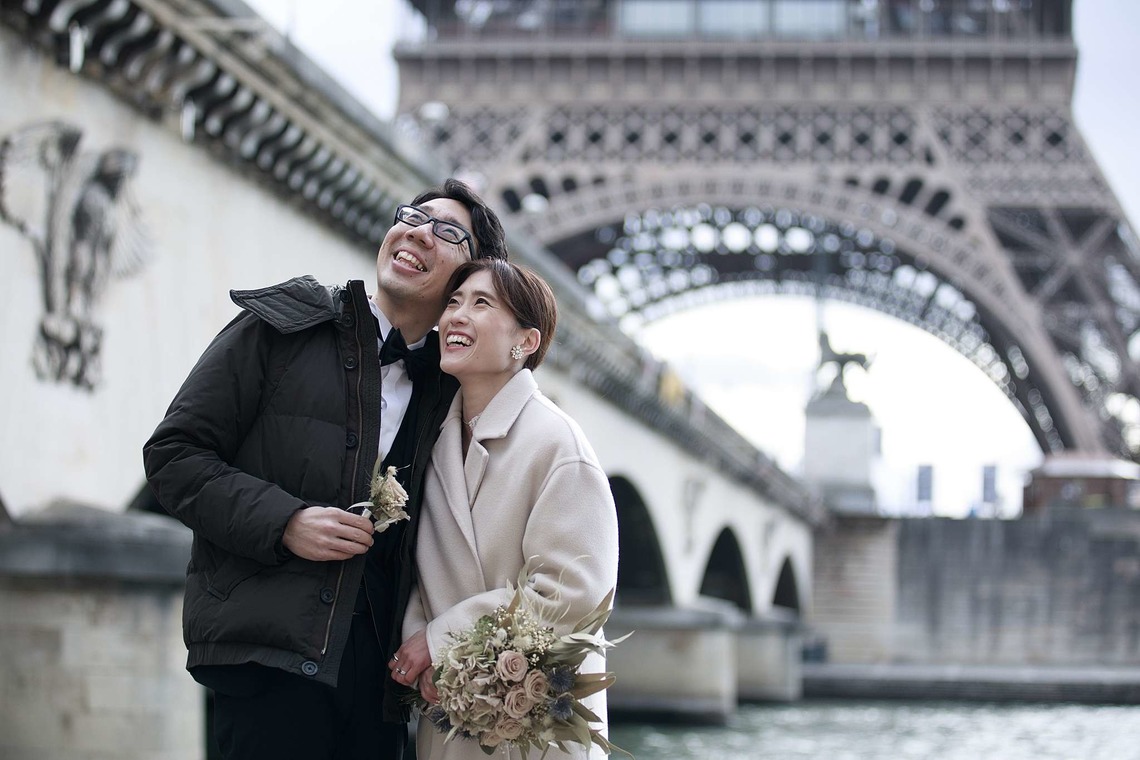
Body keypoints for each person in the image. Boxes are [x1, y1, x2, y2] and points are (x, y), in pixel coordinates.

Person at [142, 178, 507, 760]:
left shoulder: (453, 391)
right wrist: (285, 522)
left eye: (447, 232)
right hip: (271, 668)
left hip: (379, 688)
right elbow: (173, 456)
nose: (418, 231)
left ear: (469, 279)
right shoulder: (281, 326)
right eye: (412, 215)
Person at [389, 259, 620, 760]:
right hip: (451, 717)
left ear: (526, 342)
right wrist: (420, 648)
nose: (456, 315)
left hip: (535, 730)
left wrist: (441, 638)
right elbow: (416, 570)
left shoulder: (559, 445)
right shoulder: (432, 440)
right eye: (452, 302)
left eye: (481, 304)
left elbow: (573, 593)